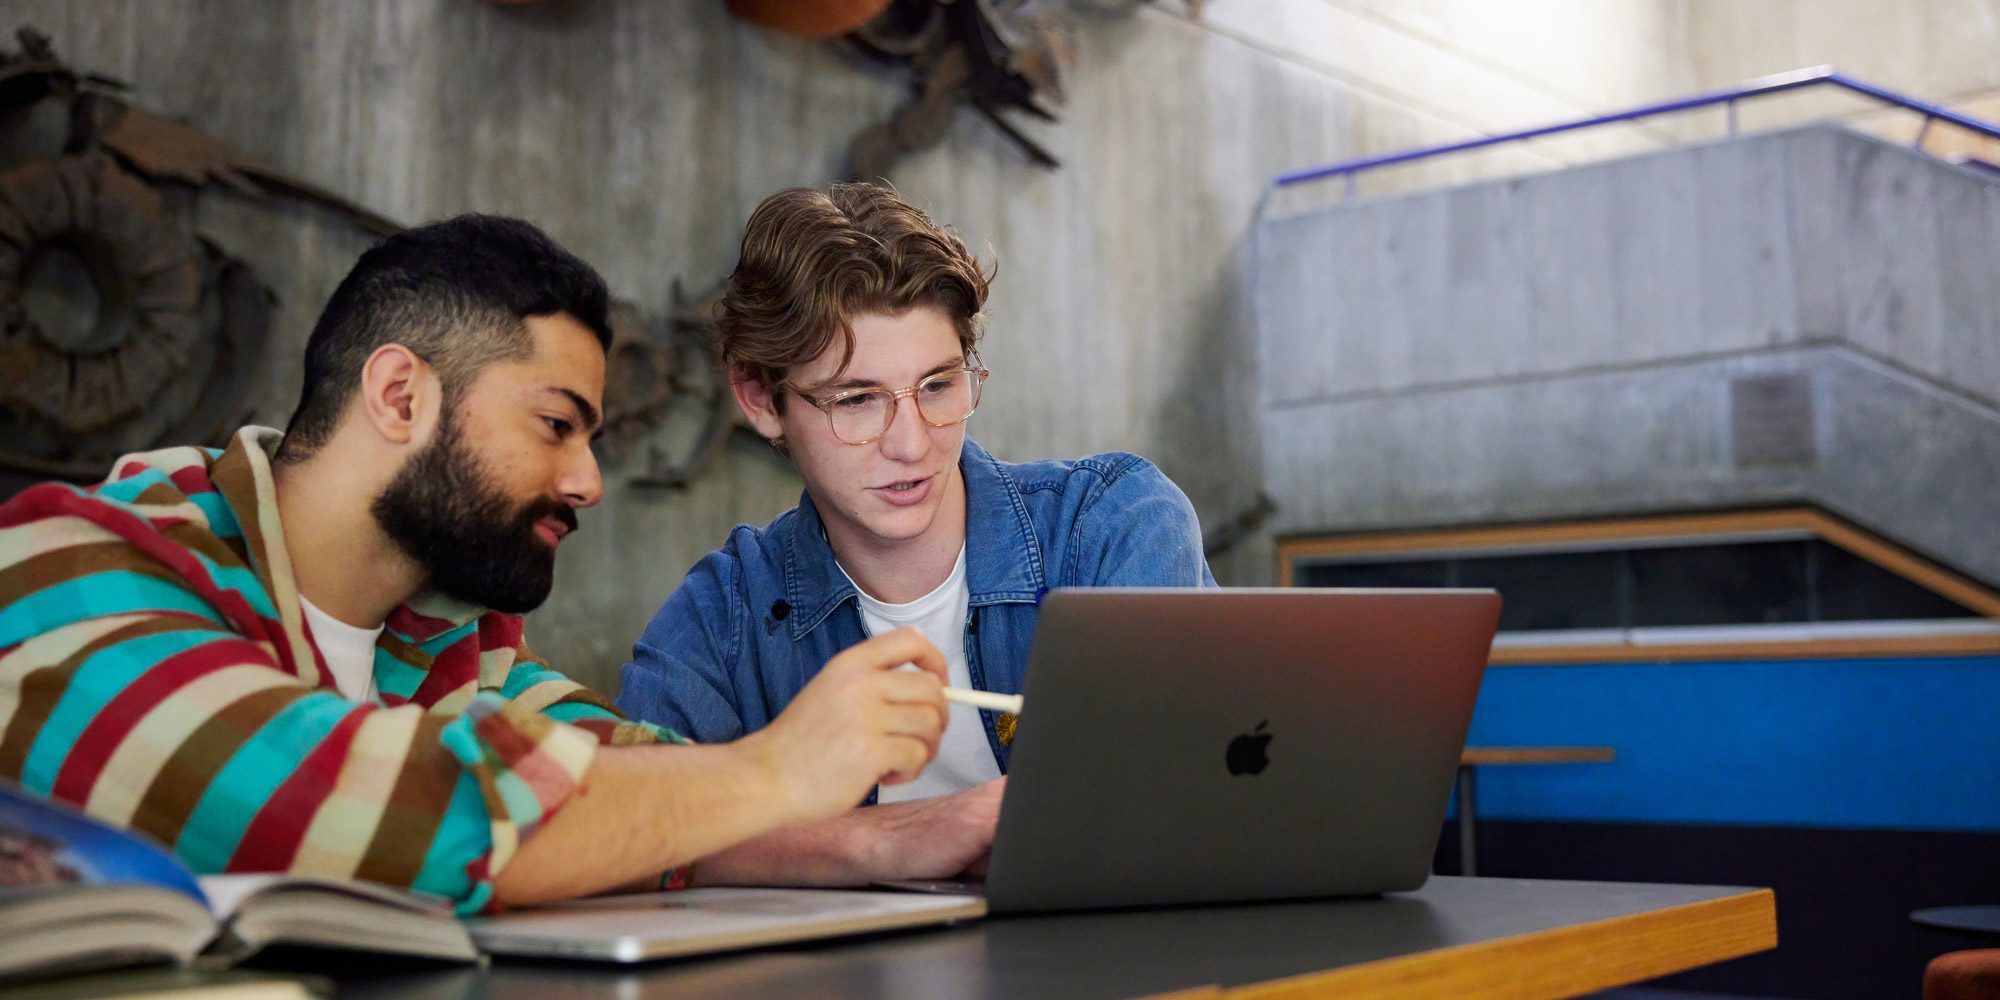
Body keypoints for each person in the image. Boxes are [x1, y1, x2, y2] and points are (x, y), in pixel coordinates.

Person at [0, 215, 952, 913]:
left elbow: (648, 797)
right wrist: (783, 768)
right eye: (554, 426)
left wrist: (900, 836)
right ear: (401, 394)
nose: (587, 480)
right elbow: (343, 811)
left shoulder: (449, 647)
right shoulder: (69, 570)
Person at [616, 183, 1213, 886]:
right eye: (858, 400)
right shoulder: (726, 614)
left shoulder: (1113, 523)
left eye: (938, 386)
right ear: (759, 400)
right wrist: (879, 842)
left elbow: (1182, 807)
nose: (911, 444)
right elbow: (626, 834)